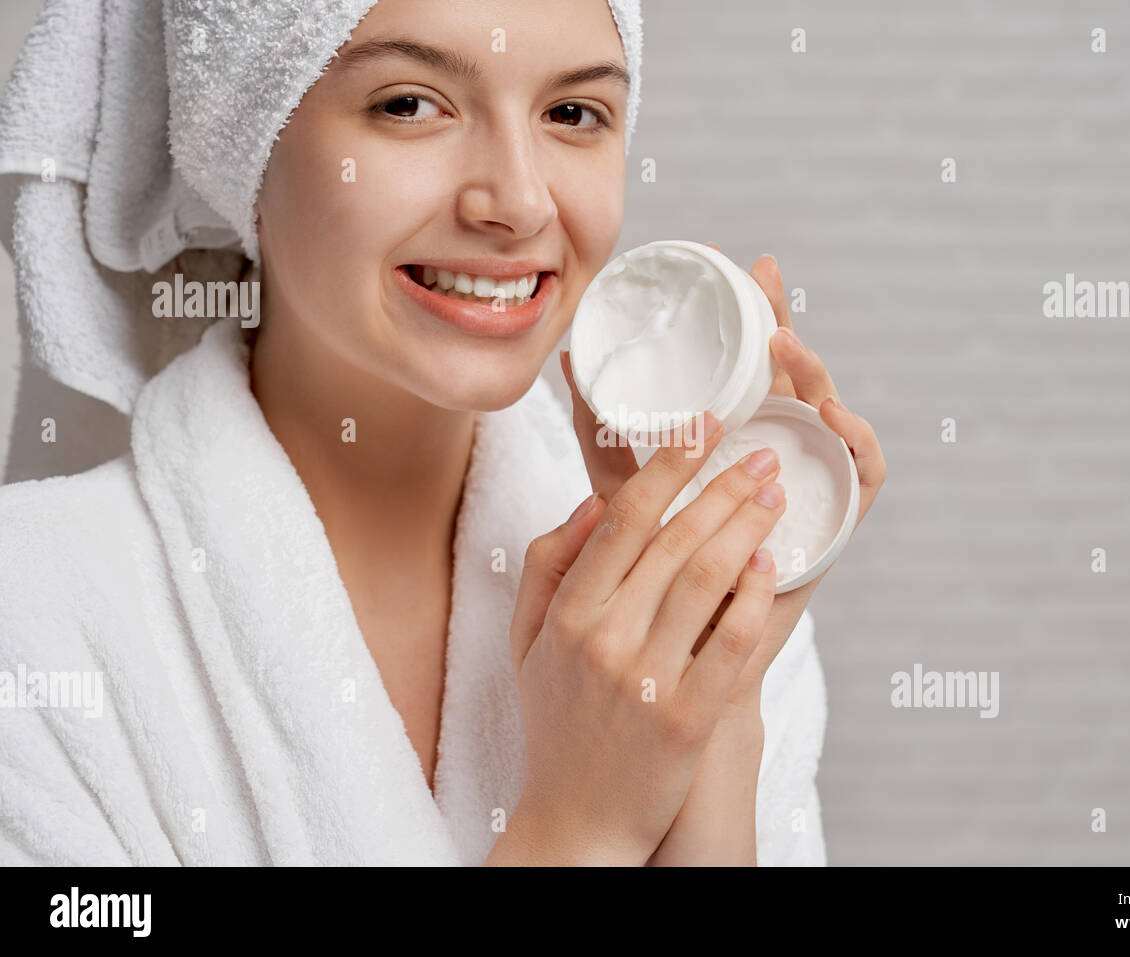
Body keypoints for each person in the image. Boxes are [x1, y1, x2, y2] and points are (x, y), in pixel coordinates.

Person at [0, 0, 884, 865]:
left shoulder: (698, 610)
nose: (519, 200)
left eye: (573, 113)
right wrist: (581, 828)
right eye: (409, 104)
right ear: (245, 139)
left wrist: (713, 711)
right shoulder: (33, 621)